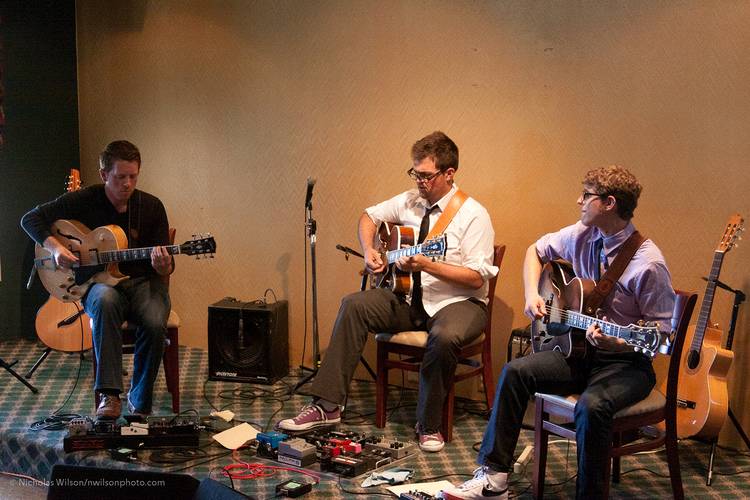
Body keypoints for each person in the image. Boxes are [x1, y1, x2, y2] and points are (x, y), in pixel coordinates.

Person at [441, 165, 675, 499]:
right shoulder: (582, 233)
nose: (578, 200)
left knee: (592, 406)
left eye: (586, 195)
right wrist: (532, 295)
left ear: (608, 203)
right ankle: (494, 480)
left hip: (626, 365)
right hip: (580, 353)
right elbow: (534, 251)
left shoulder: (648, 264)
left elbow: (662, 337)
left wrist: (619, 340)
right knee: (515, 372)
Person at [277, 131, 498, 452]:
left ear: (449, 174)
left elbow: (476, 278)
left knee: (446, 335)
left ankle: (429, 424)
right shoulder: (409, 200)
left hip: (459, 304)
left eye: (426, 176)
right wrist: (369, 250)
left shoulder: (474, 215)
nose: (419, 182)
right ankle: (327, 405)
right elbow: (369, 216)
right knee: (354, 304)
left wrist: (426, 264)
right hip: (410, 298)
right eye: (415, 174)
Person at [21, 140, 173, 419]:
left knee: (154, 319)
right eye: (120, 177)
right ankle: (110, 396)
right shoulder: (84, 199)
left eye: (133, 177)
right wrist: (56, 248)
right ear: (104, 175)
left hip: (143, 284)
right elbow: (30, 219)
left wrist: (164, 265)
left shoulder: (151, 207)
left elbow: (164, 268)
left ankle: (139, 400)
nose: (127, 184)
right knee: (103, 301)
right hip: (98, 284)